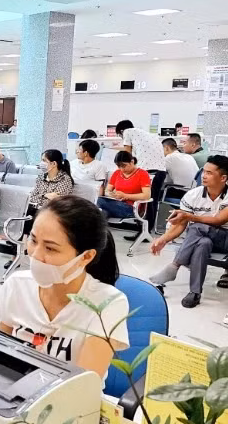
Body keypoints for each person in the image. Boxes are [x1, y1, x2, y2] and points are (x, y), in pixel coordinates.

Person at [0, 196, 128, 377]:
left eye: (51, 248)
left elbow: (82, 385)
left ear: (86, 257)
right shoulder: (17, 285)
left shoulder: (106, 303)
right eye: (33, 241)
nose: (36, 255)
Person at [149, 155, 228, 308]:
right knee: (202, 244)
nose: (204, 176)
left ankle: (175, 265)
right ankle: (195, 292)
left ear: (223, 177)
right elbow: (180, 224)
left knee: (196, 226)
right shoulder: (193, 195)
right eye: (204, 171)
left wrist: (190, 216)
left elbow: (219, 220)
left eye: (210, 173)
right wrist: (163, 239)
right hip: (206, 239)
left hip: (226, 240)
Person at [116, 120, 166, 234]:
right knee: (152, 201)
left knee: (146, 202)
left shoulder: (127, 132)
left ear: (122, 131)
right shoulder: (148, 135)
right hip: (161, 171)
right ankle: (146, 231)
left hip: (149, 170)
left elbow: (126, 156)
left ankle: (144, 232)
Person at [96, 151, 151, 220]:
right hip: (115, 204)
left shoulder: (143, 174)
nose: (121, 169)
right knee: (101, 213)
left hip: (131, 207)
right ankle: (98, 229)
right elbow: (107, 190)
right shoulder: (117, 173)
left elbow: (146, 196)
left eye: (124, 166)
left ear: (132, 162)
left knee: (98, 201)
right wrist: (112, 195)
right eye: (119, 166)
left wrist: (125, 196)